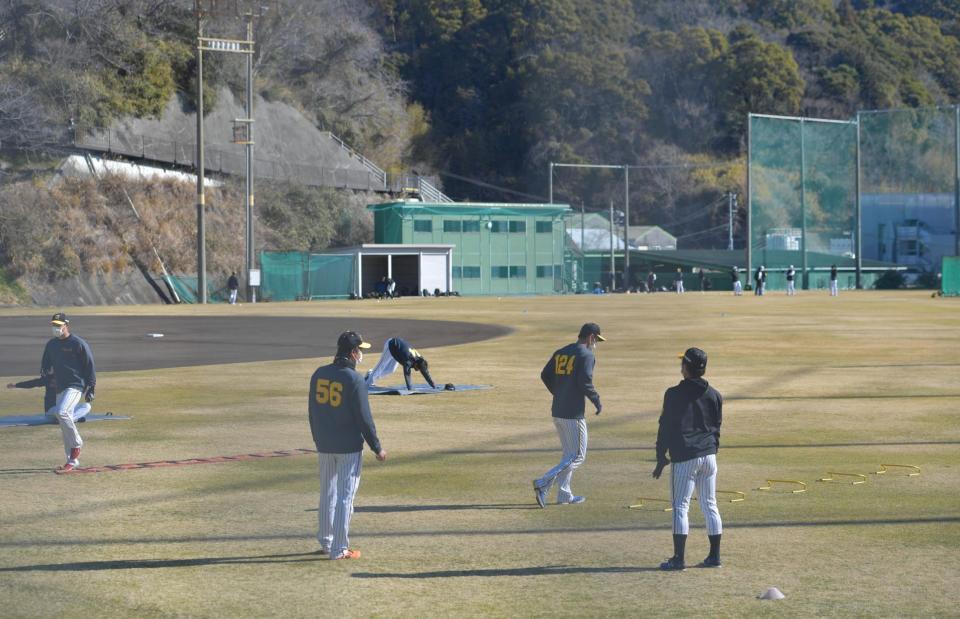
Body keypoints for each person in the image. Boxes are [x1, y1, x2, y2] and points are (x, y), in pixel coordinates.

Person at [308, 330, 386, 560]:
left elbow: (312, 412)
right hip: (348, 447)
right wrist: (377, 447)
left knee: (327, 494)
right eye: (360, 350)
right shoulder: (355, 380)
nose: (361, 354)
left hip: (324, 443)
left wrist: (317, 438)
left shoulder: (319, 374)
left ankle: (326, 541)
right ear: (352, 353)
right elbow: (364, 419)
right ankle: (339, 548)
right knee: (345, 497)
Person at [652, 347, 723, 571]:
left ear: (686, 367)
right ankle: (714, 557)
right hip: (709, 456)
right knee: (710, 505)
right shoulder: (715, 394)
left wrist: (660, 455)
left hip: (685, 457)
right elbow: (717, 426)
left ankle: (679, 559)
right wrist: (712, 449)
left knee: (680, 507)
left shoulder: (673, 394)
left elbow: (665, 427)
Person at [533, 322, 604, 507]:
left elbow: (544, 374)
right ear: (590, 337)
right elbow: (585, 382)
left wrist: (558, 392)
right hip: (573, 413)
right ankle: (543, 483)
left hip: (558, 410)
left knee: (568, 455)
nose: (595, 343)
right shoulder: (586, 355)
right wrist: (596, 400)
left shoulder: (562, 351)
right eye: (596, 339)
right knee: (577, 456)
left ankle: (564, 495)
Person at [41, 313, 96, 473]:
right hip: (60, 387)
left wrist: (91, 387)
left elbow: (89, 365)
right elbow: (46, 362)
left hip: (75, 386)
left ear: (66, 325)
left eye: (59, 325)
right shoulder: (51, 344)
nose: (56, 328)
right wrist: (45, 372)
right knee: (64, 423)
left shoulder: (78, 343)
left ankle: (77, 444)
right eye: (54, 325)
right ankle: (71, 461)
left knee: (62, 412)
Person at [6, 374, 91, 422]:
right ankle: (70, 419)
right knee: (60, 411)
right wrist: (16, 385)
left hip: (66, 411)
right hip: (51, 411)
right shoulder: (49, 379)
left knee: (87, 406)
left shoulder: (69, 380)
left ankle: (71, 419)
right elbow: (33, 383)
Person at [364, 337, 437, 391]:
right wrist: (410, 388)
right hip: (391, 345)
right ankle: (366, 385)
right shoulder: (409, 360)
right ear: (416, 364)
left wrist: (432, 384)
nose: (418, 370)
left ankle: (370, 374)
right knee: (380, 367)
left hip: (397, 350)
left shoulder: (420, 360)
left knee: (391, 370)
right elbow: (407, 374)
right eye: (418, 368)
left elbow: (425, 372)